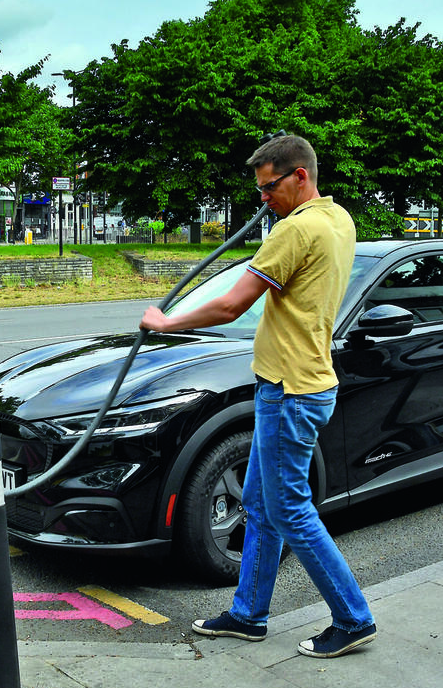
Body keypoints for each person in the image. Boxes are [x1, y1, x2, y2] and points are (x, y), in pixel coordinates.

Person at [139, 134, 375, 658]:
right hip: (305, 384)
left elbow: (230, 307)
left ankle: (353, 617)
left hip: (290, 390)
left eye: (270, 187)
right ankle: (248, 615)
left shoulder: (296, 231)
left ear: (300, 176)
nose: (262, 198)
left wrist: (167, 322)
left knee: (290, 509)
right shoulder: (339, 220)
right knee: (260, 505)